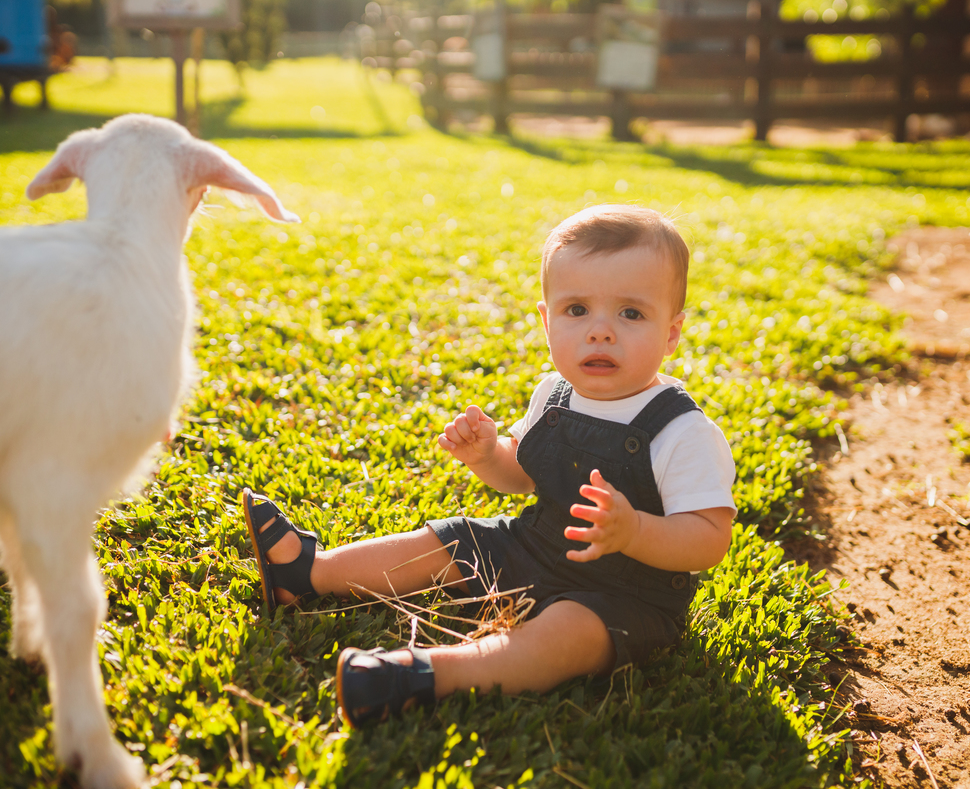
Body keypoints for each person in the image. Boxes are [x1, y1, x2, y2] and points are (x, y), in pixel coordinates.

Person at [241, 204, 737, 727]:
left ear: (671, 333)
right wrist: (488, 456)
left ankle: (424, 674)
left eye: (631, 314)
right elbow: (520, 477)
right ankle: (308, 571)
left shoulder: (681, 431)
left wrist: (634, 530)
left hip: (621, 596)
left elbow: (709, 540)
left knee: (563, 635)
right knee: (448, 541)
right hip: (532, 547)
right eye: (576, 310)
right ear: (546, 321)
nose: (600, 332)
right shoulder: (554, 395)